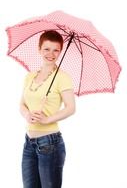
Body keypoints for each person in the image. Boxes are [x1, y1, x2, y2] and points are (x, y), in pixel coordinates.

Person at [20, 30, 75, 188]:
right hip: (29, 143)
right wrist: (27, 114)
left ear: (60, 51)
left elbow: (71, 108)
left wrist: (47, 119)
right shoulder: (29, 76)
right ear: (39, 49)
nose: (51, 54)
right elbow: (21, 104)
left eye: (56, 50)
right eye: (46, 49)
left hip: (50, 143)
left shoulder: (62, 77)